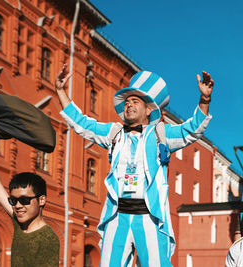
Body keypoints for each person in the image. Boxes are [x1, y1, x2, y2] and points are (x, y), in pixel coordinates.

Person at [55, 65, 214, 266]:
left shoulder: (160, 134)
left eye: (135, 101)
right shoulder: (113, 133)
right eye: (127, 101)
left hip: (149, 216)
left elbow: (192, 130)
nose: (129, 105)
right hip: (117, 215)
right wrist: (61, 91)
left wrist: (205, 99)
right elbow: (82, 124)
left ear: (149, 109)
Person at [0, 134, 60, 266]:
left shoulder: (48, 239)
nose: (18, 206)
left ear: (42, 200)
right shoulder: (19, 222)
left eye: (25, 200)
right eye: (13, 200)